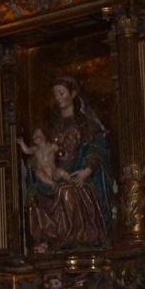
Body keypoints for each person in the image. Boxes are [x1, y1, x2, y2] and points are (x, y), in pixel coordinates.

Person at [25, 76, 114, 253]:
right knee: (33, 193)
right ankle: (46, 241)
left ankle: (74, 241)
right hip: (54, 175)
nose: (57, 97)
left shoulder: (86, 124)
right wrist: (39, 163)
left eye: (61, 93)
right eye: (55, 94)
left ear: (72, 94)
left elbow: (96, 149)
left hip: (79, 177)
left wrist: (86, 172)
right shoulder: (51, 127)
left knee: (65, 192)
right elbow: (38, 150)